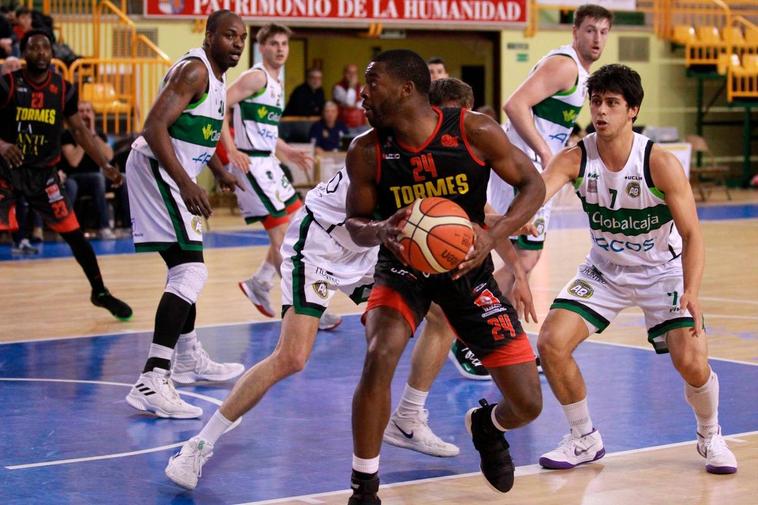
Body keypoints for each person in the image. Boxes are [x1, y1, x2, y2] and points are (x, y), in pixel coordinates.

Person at [161, 76, 506, 492]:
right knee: (292, 357)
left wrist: (509, 250)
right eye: (453, 118)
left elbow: (466, 208)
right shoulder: (381, 146)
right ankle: (198, 446)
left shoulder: (445, 151)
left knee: (441, 313)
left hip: (373, 245)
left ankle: (409, 418)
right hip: (323, 242)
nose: (457, 127)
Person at [344, 50, 545, 503]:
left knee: (529, 403)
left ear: (406, 89)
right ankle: (364, 486)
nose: (363, 91)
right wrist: (380, 230)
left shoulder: (474, 131)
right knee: (381, 352)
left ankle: (486, 426)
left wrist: (493, 238)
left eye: (373, 83)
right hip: (401, 267)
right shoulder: (366, 150)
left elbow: (533, 185)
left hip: (466, 269)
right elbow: (356, 224)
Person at [536, 64, 737, 475]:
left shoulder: (658, 163)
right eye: (596, 102)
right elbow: (537, 190)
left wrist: (692, 291)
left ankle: (710, 434)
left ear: (632, 110)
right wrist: (512, 216)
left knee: (692, 362)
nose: (602, 112)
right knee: (551, 342)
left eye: (612, 103)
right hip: (604, 270)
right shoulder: (576, 158)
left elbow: (692, 235)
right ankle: (583, 438)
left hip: (663, 270)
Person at [467, 3, 612, 381]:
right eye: (590, 30)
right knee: (503, 251)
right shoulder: (565, 65)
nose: (596, 39)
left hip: (536, 172)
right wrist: (545, 152)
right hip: (520, 168)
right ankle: (472, 338)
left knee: (526, 260)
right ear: (575, 32)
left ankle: (500, 340)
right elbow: (514, 104)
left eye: (603, 32)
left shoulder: (581, 73)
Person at [123, 10, 248, 419]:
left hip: (171, 171)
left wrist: (217, 171)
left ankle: (189, 357)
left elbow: (196, 131)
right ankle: (153, 377)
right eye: (230, 35)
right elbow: (153, 126)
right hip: (156, 169)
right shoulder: (195, 70)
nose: (237, 43)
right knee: (190, 272)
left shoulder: (216, 75)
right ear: (210, 35)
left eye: (242, 38)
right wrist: (189, 183)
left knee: (185, 268)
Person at [0, 29, 131, 318]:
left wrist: (104, 164)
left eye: (46, 48)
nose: (42, 53)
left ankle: (100, 291)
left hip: (44, 176)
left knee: (76, 237)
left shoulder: (64, 89)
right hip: (7, 173)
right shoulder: (8, 84)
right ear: (24, 54)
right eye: (34, 48)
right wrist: (2, 144)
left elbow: (79, 130)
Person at [221, 23, 341, 331]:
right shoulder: (256, 76)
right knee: (288, 240)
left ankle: (260, 283)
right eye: (273, 43)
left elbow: (265, 132)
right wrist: (231, 149)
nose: (280, 48)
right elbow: (219, 105)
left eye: (284, 44)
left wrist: (287, 151)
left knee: (298, 230)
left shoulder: (276, 81)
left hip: (269, 165)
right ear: (262, 48)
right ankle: (307, 308)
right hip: (252, 166)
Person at [61, 100, 129, 238]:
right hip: (75, 178)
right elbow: (73, 162)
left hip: (97, 178)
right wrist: (83, 137)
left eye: (88, 111)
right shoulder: (67, 134)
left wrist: (91, 134)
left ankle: (129, 227)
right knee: (97, 178)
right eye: (81, 111)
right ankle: (104, 228)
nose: (85, 114)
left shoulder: (97, 133)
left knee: (123, 179)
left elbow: (109, 156)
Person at [332, 63, 366, 131]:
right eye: (349, 72)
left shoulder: (361, 87)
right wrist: (351, 86)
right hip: (344, 126)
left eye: (354, 73)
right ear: (344, 74)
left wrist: (354, 105)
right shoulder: (338, 87)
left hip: (361, 125)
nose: (352, 75)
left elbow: (364, 105)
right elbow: (349, 103)